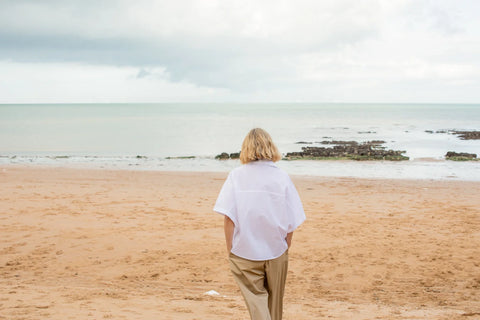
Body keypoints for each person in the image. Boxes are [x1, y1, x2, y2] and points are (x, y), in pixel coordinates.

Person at [214, 128, 306, 320]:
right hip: (276, 250)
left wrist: (230, 248)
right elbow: (292, 218)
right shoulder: (281, 177)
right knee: (275, 305)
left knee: (256, 301)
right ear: (270, 146)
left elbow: (229, 217)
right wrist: (286, 244)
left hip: (244, 251)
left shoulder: (236, 176)